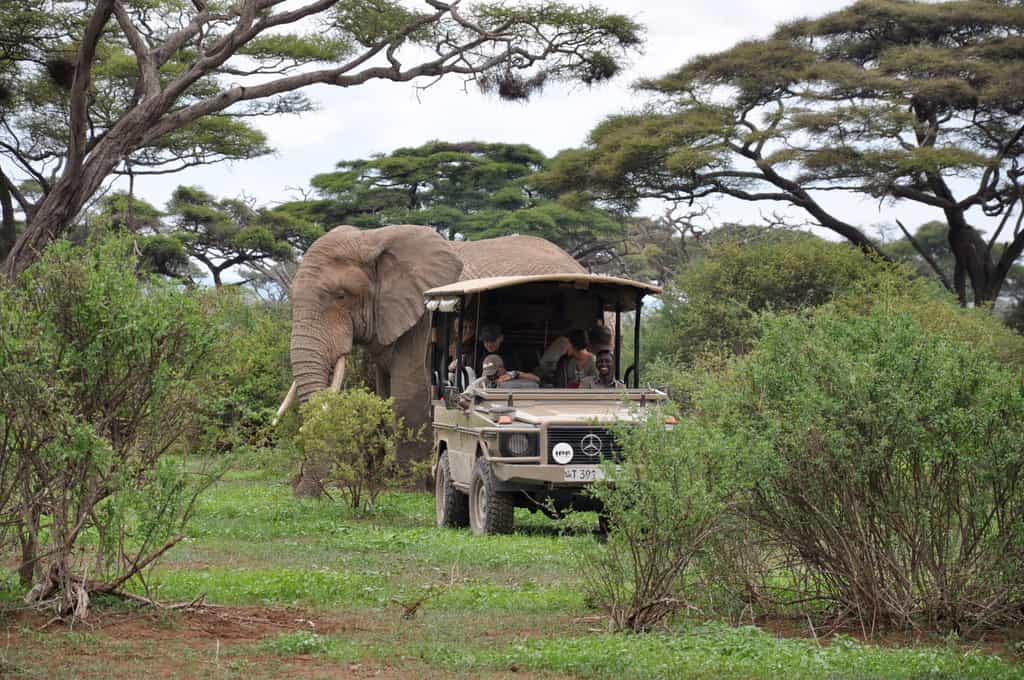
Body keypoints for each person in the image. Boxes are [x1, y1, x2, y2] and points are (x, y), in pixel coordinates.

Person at [458, 354, 540, 408]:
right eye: (488, 373)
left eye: (493, 372)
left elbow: (537, 379)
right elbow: (462, 400)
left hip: (520, 407)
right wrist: (478, 409)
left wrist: (515, 375)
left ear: (501, 369)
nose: (490, 376)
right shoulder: (481, 382)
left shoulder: (511, 374)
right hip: (492, 412)